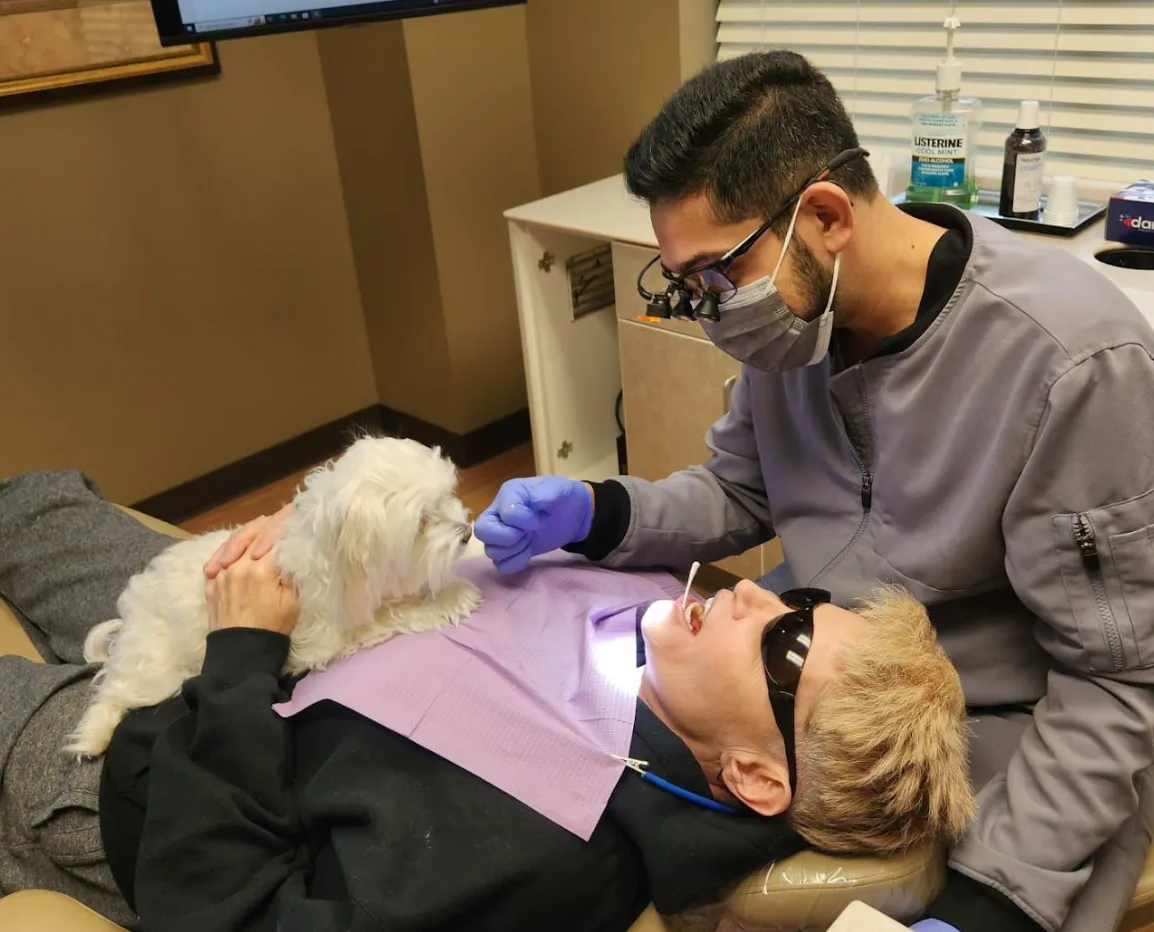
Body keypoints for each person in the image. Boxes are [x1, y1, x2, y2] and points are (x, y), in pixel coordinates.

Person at [475, 51, 1154, 932]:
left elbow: (1118, 679)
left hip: (1001, 717)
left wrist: (997, 896)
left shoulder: (1070, 363)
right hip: (813, 676)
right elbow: (739, 491)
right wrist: (601, 511)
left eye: (715, 277)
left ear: (825, 215)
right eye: (687, 285)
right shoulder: (799, 326)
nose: (708, 309)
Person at [0, 470, 972, 932]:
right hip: (276, 616)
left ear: (755, 773)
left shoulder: (537, 851)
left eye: (787, 639)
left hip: (159, 757)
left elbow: (223, 905)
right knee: (37, 500)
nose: (757, 592)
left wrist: (240, 649)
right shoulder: (659, 631)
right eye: (804, 601)